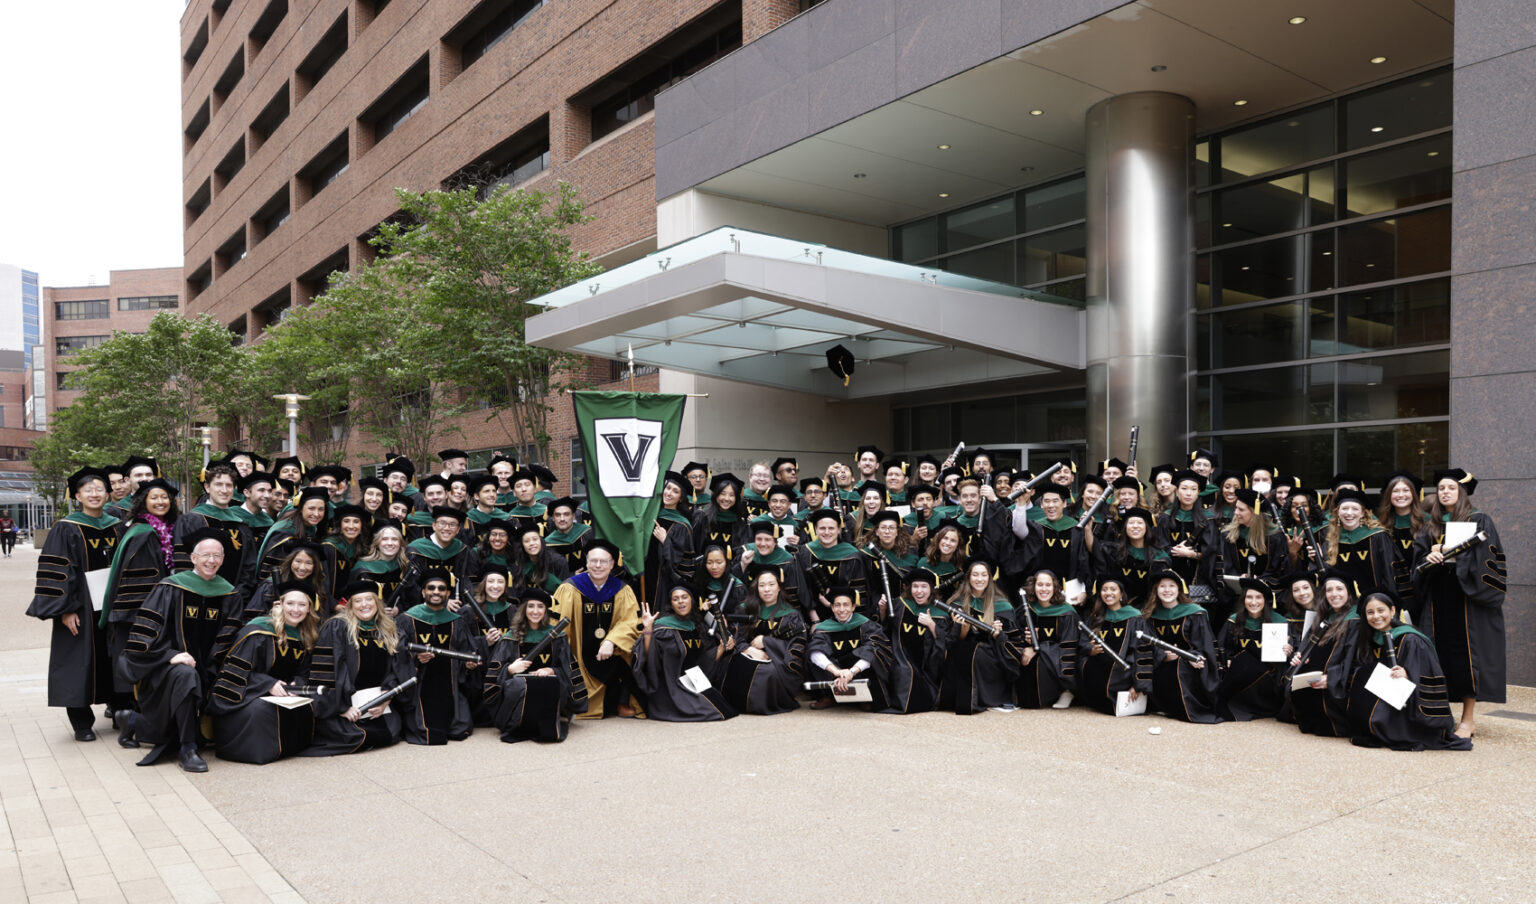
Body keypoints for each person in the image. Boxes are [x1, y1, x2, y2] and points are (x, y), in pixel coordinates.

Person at [120, 532, 245, 772]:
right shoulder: (170, 587)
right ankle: (188, 748)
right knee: (187, 675)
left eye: (216, 556)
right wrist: (170, 656)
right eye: (205, 555)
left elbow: (231, 636)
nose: (211, 560)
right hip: (166, 667)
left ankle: (134, 721)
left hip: (208, 667)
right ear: (193, 558)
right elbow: (143, 634)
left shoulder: (229, 594)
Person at [27, 467, 121, 741]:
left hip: (112, 605)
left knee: (112, 656)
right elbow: (57, 570)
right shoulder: (65, 528)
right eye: (88, 489)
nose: (94, 493)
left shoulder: (117, 525)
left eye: (99, 489)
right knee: (77, 660)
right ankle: (81, 722)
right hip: (80, 608)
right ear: (77, 494)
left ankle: (118, 709)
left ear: (107, 493)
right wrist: (65, 609)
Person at [1411, 468, 1505, 739]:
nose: (1445, 492)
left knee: (1466, 658)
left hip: (1467, 599)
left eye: (1451, 488)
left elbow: (1490, 559)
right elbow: (1416, 563)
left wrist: (1455, 558)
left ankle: (1468, 719)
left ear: (1461, 492)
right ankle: (1442, 715)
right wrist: (1428, 559)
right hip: (1436, 598)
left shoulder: (1479, 521)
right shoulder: (1431, 525)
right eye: (1441, 488)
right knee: (1437, 656)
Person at [99, 478, 181, 736]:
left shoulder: (165, 529)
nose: (160, 501)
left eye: (164, 497)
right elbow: (140, 578)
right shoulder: (143, 533)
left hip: (152, 610)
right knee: (134, 661)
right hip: (138, 612)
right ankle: (128, 721)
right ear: (143, 501)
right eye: (154, 497)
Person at [206, 583, 322, 763]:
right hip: (246, 695)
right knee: (261, 710)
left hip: (282, 695)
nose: (296, 610)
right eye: (290, 604)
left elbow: (304, 671)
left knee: (306, 704)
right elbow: (235, 673)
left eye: (302, 605)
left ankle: (289, 748)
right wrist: (268, 684)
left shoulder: (306, 635)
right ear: (279, 605)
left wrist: (296, 684)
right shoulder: (258, 631)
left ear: (309, 609)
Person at [1344, 590, 1471, 751]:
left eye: (1381, 610)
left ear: (1392, 611)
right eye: (1370, 612)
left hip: (1409, 705)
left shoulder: (1411, 638)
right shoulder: (1370, 638)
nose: (1376, 616)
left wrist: (1409, 673)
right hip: (1386, 697)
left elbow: (1429, 673)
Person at [304, 578, 406, 755]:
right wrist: (342, 708)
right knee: (354, 736)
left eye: (369, 599)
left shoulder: (388, 629)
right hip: (345, 704)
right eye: (358, 601)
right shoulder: (337, 627)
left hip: (376, 703)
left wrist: (386, 697)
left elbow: (397, 667)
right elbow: (325, 672)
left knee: (391, 732)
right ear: (350, 605)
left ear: (377, 602)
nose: (364, 605)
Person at [552, 540, 643, 719]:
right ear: (586, 563)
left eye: (603, 561)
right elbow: (558, 623)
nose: (598, 565)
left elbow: (631, 622)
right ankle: (575, 703)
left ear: (612, 564)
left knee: (632, 653)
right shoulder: (569, 588)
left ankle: (620, 702)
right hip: (578, 653)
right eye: (593, 561)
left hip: (611, 652)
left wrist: (611, 640)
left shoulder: (622, 590)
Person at [485, 589, 587, 742]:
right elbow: (494, 673)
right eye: (530, 606)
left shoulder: (557, 636)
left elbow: (568, 668)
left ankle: (545, 726)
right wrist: (510, 669)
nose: (535, 611)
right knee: (518, 685)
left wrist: (552, 670)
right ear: (523, 609)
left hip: (548, 684)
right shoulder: (510, 637)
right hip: (518, 687)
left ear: (546, 610)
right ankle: (517, 724)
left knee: (551, 683)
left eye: (540, 606)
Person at [395, 567, 477, 744]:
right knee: (426, 731)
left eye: (441, 588)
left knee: (459, 730)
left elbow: (464, 651)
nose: (436, 592)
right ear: (423, 591)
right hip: (420, 682)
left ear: (448, 592)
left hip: (450, 682)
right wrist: (415, 659)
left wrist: (467, 664)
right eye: (431, 588)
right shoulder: (407, 619)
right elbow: (397, 654)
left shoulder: (456, 620)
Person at [633, 586, 737, 721]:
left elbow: (703, 660)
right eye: (675, 599)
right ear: (671, 604)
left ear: (691, 601)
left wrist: (722, 647)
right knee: (710, 711)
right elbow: (648, 657)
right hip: (671, 684)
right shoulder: (663, 627)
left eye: (684, 597)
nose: (680, 601)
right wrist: (647, 629)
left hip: (694, 679)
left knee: (724, 708)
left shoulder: (697, 624)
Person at [717, 563, 806, 715]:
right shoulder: (745, 609)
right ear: (756, 588)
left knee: (766, 672)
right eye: (762, 585)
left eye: (771, 584)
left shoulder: (791, 615)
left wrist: (766, 642)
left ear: (779, 587)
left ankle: (757, 706)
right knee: (735, 664)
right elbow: (735, 635)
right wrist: (748, 648)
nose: (766, 589)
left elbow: (797, 647)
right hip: (746, 652)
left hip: (777, 660)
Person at [936, 559, 1020, 714]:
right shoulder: (957, 603)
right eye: (975, 575)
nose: (979, 579)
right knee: (959, 651)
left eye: (983, 575)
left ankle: (983, 699)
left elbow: (1013, 643)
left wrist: (998, 634)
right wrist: (962, 629)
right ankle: (958, 699)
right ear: (968, 578)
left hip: (991, 653)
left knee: (976, 652)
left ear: (990, 578)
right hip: (964, 649)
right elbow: (952, 640)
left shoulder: (1002, 605)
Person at [1285, 572, 1360, 737]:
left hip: (1337, 680)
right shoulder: (1325, 616)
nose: (1334, 594)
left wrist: (1333, 678)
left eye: (1339, 589)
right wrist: (1300, 656)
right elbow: (1309, 645)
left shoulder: (1355, 619)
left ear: (1349, 592)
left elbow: (1356, 659)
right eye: (1329, 590)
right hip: (1317, 676)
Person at [1144, 570, 1223, 724]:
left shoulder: (1195, 613)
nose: (1167, 590)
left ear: (1179, 589)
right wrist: (1162, 655)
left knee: (1180, 667)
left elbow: (1204, 644)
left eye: (1172, 586)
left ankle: (1187, 708)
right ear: (1156, 590)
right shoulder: (1149, 616)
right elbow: (1146, 646)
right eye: (1162, 586)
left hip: (1189, 664)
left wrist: (1191, 656)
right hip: (1161, 662)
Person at [1214, 578, 1294, 721]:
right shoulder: (1233, 621)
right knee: (1244, 660)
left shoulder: (1279, 622)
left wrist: (1288, 651)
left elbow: (1285, 658)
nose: (1253, 602)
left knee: (1246, 660)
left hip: (1268, 676)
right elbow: (1224, 647)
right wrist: (1229, 659)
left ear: (1265, 600)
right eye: (1249, 597)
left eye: (1258, 597)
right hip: (1239, 673)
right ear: (1243, 600)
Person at [805, 586, 894, 710]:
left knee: (875, 653)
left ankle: (865, 697)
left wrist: (852, 672)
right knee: (813, 653)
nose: (842, 610)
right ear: (832, 607)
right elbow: (815, 653)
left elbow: (874, 650)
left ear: (853, 607)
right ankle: (828, 696)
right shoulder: (824, 628)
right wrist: (837, 672)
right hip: (836, 672)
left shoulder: (866, 625)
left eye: (846, 605)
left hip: (859, 671)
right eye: (837, 605)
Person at [1074, 578, 1153, 715]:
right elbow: (1082, 643)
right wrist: (1090, 650)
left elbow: (1143, 652)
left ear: (1121, 594)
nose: (1108, 593)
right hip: (1097, 670)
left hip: (1123, 672)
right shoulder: (1095, 617)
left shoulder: (1134, 618)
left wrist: (1138, 685)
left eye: (1113, 589)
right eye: (1104, 590)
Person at [881, 566, 946, 714]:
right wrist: (883, 611)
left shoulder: (940, 612)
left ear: (931, 589)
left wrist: (931, 624)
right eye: (915, 586)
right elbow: (885, 629)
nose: (919, 591)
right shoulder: (899, 605)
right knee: (904, 670)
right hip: (900, 657)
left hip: (926, 666)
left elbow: (944, 644)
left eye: (924, 586)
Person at [1015, 569, 1080, 709]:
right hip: (1033, 656)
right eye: (1040, 585)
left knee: (1039, 661)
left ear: (1055, 587)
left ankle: (1066, 690)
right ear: (1033, 587)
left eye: (1048, 585)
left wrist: (1039, 647)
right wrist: (1026, 644)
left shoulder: (1066, 613)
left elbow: (1069, 647)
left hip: (1056, 660)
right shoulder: (1026, 609)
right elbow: (1015, 634)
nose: (1044, 589)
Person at [1324, 489, 1394, 597]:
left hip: (1375, 603)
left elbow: (1389, 572)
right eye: (1345, 508)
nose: (1349, 513)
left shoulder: (1378, 536)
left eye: (1355, 509)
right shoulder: (1331, 540)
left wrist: (1387, 599)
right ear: (1338, 512)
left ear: (1362, 513)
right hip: (1345, 605)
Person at [1378, 470, 1427, 600]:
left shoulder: (1428, 522)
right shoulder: (1380, 525)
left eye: (1406, 490)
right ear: (1389, 495)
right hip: (1392, 591)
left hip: (1423, 589)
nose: (1401, 495)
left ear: (1413, 494)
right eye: (1395, 491)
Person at [351, 526, 409, 616]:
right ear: (377, 543)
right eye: (384, 539)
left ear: (400, 544)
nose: (390, 543)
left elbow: (411, 598)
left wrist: (397, 610)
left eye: (394, 539)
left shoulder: (405, 568)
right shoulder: (363, 568)